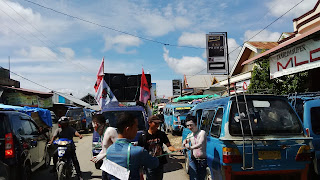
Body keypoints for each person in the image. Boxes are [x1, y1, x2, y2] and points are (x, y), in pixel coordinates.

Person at [105, 112, 159, 180]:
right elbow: (154, 164)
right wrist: (155, 154)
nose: (137, 129)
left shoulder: (109, 150)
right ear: (127, 129)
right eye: (136, 126)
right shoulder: (137, 151)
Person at [138, 115, 183, 180]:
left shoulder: (161, 134)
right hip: (149, 163)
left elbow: (169, 146)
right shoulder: (143, 136)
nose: (157, 125)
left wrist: (176, 149)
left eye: (158, 123)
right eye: (155, 123)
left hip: (160, 163)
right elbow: (140, 151)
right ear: (149, 123)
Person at [90, 114, 118, 180]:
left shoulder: (110, 131)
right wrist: (98, 156)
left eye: (94, 127)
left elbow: (118, 148)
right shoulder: (103, 134)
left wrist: (103, 155)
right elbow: (105, 148)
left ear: (97, 124)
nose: (95, 130)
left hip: (113, 166)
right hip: (106, 165)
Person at [182, 116, 207, 180]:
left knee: (201, 178)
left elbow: (200, 144)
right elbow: (185, 140)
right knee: (193, 177)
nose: (189, 127)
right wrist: (184, 143)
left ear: (196, 123)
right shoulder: (190, 135)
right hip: (193, 159)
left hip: (202, 160)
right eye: (188, 126)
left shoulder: (202, 133)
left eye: (191, 125)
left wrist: (190, 147)